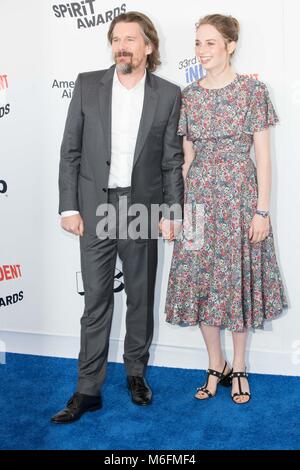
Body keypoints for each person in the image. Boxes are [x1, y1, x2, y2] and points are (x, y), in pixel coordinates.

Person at [52, 11, 184, 424]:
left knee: (141, 299)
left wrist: (172, 212)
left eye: (131, 39)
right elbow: (70, 149)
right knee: (96, 302)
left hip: (142, 207)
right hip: (95, 207)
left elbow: (171, 160)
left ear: (148, 46)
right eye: (116, 38)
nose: (122, 46)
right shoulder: (88, 84)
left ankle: (135, 374)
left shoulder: (168, 93)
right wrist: (69, 206)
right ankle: (87, 389)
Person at [165, 14, 288, 404]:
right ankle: (214, 363)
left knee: (235, 281)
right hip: (199, 198)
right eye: (198, 43)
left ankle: (239, 366)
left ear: (230, 45)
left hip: (240, 197)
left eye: (210, 43)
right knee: (203, 281)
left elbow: (264, 158)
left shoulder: (253, 91)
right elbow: (186, 160)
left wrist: (262, 211)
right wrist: (179, 211)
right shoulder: (189, 96)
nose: (201, 51)